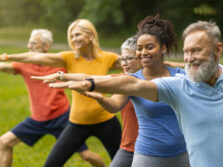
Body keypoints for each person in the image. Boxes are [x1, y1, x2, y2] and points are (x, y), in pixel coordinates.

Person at [45, 20, 223, 167]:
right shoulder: (178, 86)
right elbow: (130, 85)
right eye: (187, 52)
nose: (189, 58)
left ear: (218, 49)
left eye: (197, 51)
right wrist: (89, 83)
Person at [32, 15, 190, 167]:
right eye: (139, 49)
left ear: (163, 48)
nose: (143, 53)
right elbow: (100, 83)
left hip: (181, 152)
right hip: (141, 150)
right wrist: (65, 77)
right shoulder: (130, 80)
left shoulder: (180, 77)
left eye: (149, 47)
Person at [0, 19, 122, 167]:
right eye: (71, 36)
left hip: (102, 120)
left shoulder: (107, 58)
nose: (74, 39)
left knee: (119, 161)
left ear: (91, 35)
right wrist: (8, 57)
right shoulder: (68, 58)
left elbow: (131, 64)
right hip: (75, 122)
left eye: (77, 34)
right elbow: (35, 57)